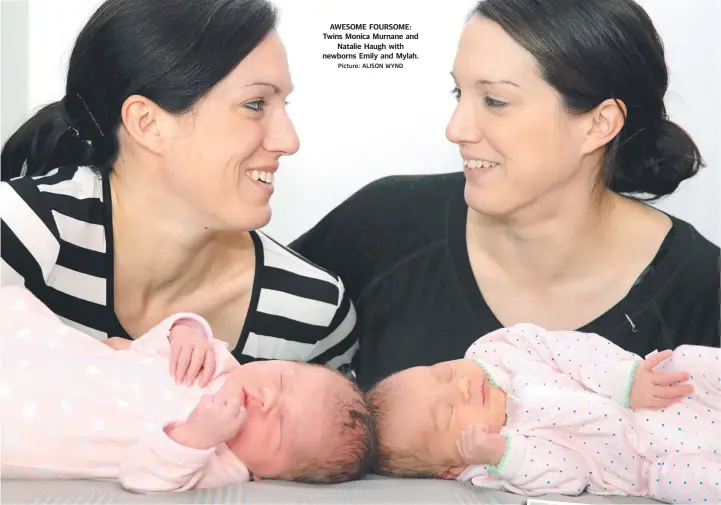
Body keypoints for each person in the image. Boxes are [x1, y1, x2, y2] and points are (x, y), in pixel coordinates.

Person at [289, 0, 720, 391]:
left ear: (598, 124)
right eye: (460, 93)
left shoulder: (702, 293)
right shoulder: (381, 227)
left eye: (494, 100)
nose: (456, 129)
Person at [0, 0, 358, 370]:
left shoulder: (313, 316)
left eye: (284, 104)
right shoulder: (21, 232)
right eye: (255, 104)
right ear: (148, 123)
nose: (288, 140)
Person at [0, 286, 372, 491]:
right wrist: (186, 331)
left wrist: (194, 438)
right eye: (281, 381)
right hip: (56, 355)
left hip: (32, 420)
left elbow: (143, 477)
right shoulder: (218, 365)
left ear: (265, 474)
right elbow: (149, 345)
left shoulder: (222, 464)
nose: (267, 400)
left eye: (278, 430)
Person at [365, 323, 721, 504]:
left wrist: (623, 380)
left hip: (651, 393)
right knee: (690, 482)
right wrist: (503, 454)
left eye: (444, 372)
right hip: (650, 461)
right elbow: (571, 474)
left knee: (687, 362)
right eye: (449, 412)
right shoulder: (497, 465)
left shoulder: (499, 351)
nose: (462, 387)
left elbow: (570, 348)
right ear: (452, 467)